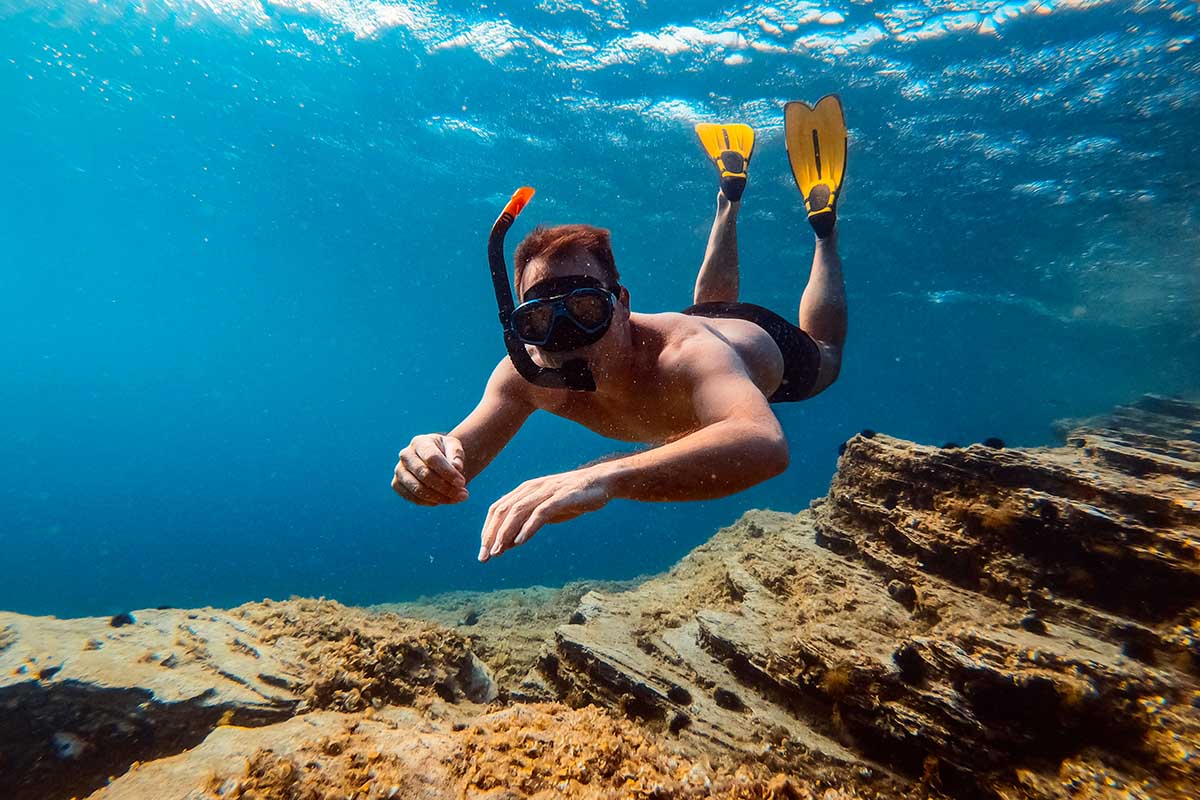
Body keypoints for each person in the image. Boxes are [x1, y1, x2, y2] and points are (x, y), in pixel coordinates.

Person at [392, 96, 849, 563]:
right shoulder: (526, 375)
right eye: (540, 321)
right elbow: (456, 463)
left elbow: (764, 443)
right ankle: (728, 196)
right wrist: (428, 463)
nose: (567, 338)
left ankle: (823, 228)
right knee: (708, 306)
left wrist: (603, 478)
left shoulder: (684, 355)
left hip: (758, 344)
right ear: (520, 327)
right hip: (705, 319)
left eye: (586, 309)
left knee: (827, 355)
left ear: (622, 305)